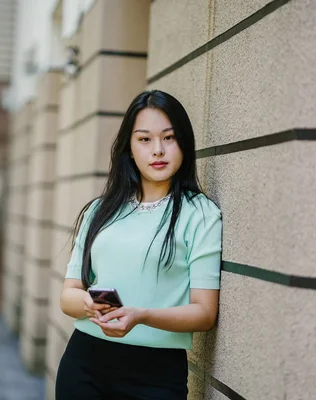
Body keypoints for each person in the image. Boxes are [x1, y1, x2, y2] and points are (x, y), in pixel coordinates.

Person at [56, 90, 222, 399]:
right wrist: (90, 305)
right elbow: (68, 296)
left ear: (184, 143)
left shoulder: (200, 214)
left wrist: (141, 315)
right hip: (85, 364)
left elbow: (204, 312)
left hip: (156, 375)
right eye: (144, 140)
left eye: (169, 138)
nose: (158, 150)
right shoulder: (99, 211)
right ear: (129, 149)